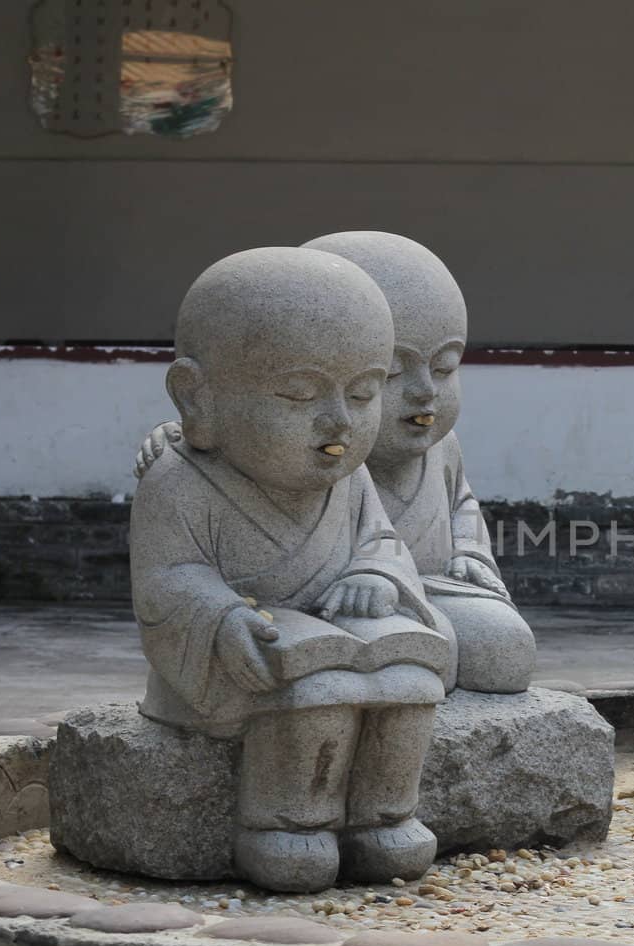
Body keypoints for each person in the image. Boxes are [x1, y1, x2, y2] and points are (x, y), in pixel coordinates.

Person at [131, 246, 447, 891]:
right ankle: (285, 827)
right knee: (316, 690)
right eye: (300, 394)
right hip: (240, 657)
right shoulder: (179, 481)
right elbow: (167, 580)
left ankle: (383, 818)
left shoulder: (352, 479)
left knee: (410, 675)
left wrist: (378, 576)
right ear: (198, 397)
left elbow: (383, 543)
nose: (339, 421)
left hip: (344, 641)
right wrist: (222, 617)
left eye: (362, 394)